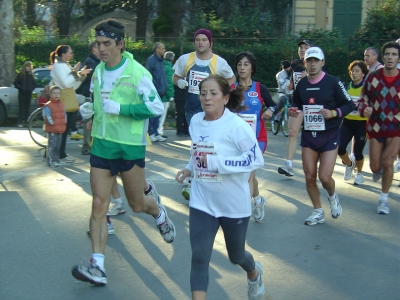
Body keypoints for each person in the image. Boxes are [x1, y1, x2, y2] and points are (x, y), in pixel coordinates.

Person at [71, 19, 176, 286]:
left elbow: (154, 108)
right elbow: (100, 104)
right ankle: (97, 265)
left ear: (120, 44)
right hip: (103, 145)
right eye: (98, 43)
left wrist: (123, 109)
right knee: (98, 204)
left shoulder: (138, 72)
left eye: (107, 43)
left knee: (137, 205)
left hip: (129, 148)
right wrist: (89, 111)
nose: (101, 48)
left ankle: (158, 213)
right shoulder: (96, 73)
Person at [175, 74, 265, 300]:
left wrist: (222, 165)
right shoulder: (196, 121)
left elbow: (256, 160)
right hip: (202, 200)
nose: (207, 98)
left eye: (213, 93)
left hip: (233, 204)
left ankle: (254, 272)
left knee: (236, 257)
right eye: (203, 93)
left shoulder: (236, 126)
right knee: (199, 257)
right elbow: (198, 152)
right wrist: (189, 169)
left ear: (225, 98)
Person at [288, 47, 355, 225]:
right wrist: (294, 110)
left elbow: (349, 104)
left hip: (329, 135)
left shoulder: (333, 82)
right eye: (309, 60)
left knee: (324, 177)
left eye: (316, 60)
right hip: (310, 135)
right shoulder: (301, 84)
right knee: (309, 176)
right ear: (305, 63)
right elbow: (296, 102)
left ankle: (332, 197)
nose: (312, 64)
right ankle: (317, 211)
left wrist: (334, 113)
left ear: (322, 62)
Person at [358, 41, 400, 214]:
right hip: (376, 126)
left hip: (396, 127)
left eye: (394, 54)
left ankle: (383, 199)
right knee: (376, 167)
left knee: (388, 160)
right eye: (387, 54)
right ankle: (381, 170)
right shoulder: (373, 76)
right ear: (383, 57)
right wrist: (363, 109)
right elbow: (362, 99)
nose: (390, 57)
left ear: (398, 58)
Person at [234, 51, 276, 222]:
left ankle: (242, 214)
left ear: (252, 67)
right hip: (237, 141)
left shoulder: (260, 88)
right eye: (239, 64)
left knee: (248, 175)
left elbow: (274, 105)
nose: (242, 68)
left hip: (258, 139)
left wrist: (269, 111)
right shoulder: (231, 89)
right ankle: (258, 200)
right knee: (245, 175)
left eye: (246, 64)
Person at [173, 28, 235, 125]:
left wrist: (219, 89)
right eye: (197, 40)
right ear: (194, 43)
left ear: (210, 43)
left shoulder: (219, 62)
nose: (200, 43)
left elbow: (232, 78)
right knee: (196, 139)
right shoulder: (184, 59)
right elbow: (176, 77)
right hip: (191, 109)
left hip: (211, 109)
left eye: (204, 40)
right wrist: (179, 82)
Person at [50, 45, 92, 163]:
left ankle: (60, 153)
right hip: (63, 100)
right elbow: (66, 84)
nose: (72, 54)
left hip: (67, 98)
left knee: (65, 128)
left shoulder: (63, 65)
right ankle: (59, 154)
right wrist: (76, 73)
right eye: (70, 52)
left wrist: (80, 75)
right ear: (63, 54)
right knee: (62, 128)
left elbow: (73, 86)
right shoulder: (59, 66)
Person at [278, 40, 312, 177]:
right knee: (292, 132)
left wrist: (309, 77)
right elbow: (293, 80)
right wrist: (292, 84)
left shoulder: (316, 63)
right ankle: (289, 165)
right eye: (301, 48)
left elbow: (323, 81)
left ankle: (314, 165)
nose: (302, 50)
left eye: (306, 47)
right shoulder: (295, 64)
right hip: (297, 103)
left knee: (310, 136)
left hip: (312, 104)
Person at [337, 60, 369, 185]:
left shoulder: (367, 88)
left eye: (357, 71)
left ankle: (360, 174)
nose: (354, 74)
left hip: (362, 124)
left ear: (363, 73)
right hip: (347, 122)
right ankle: (350, 165)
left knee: (358, 151)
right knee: (339, 148)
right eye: (352, 71)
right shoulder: (346, 87)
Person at [76, 41, 101, 155]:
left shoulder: (97, 61)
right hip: (90, 94)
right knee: (89, 120)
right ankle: (86, 146)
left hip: (95, 94)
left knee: (93, 120)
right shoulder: (91, 61)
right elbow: (93, 78)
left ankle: (90, 144)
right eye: (98, 46)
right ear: (93, 49)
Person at [145, 42, 168, 142]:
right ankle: (151, 133)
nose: (164, 50)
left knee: (158, 114)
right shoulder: (151, 60)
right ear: (157, 49)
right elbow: (147, 75)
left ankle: (156, 132)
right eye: (163, 48)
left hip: (161, 91)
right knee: (152, 114)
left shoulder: (160, 61)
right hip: (154, 91)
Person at [42, 85, 66, 168]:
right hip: (52, 129)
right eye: (54, 93)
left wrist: (64, 122)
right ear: (50, 94)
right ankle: (50, 160)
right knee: (52, 145)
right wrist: (51, 123)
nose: (56, 95)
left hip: (60, 129)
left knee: (57, 146)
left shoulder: (61, 104)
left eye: (58, 93)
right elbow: (47, 116)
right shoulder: (48, 105)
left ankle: (56, 159)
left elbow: (64, 114)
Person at [157, 51, 175, 138]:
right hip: (165, 96)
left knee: (156, 115)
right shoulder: (169, 68)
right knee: (162, 115)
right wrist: (170, 95)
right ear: (172, 59)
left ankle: (155, 131)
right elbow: (169, 83)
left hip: (157, 94)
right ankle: (159, 131)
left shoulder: (160, 65)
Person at [14, 61, 36, 127]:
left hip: (28, 94)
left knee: (27, 109)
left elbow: (34, 84)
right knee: (21, 108)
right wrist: (21, 88)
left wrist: (31, 89)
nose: (28, 68)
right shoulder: (21, 74)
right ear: (25, 67)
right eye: (27, 66)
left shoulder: (31, 75)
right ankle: (19, 122)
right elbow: (16, 83)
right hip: (22, 93)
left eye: (29, 66)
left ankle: (27, 122)